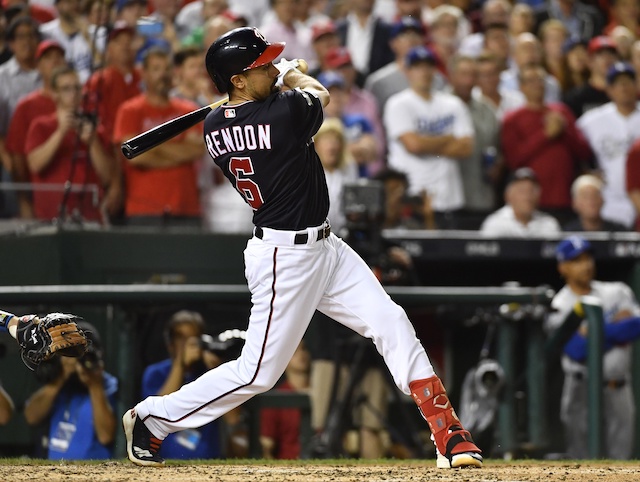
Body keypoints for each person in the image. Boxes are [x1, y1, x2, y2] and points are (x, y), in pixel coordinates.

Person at [122, 26, 483, 469]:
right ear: (236, 80)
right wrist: (293, 76)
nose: (272, 67)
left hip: (325, 247)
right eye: (262, 66)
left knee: (390, 320)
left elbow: (263, 108)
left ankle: (447, 431)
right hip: (284, 258)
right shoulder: (281, 112)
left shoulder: (216, 123)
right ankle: (154, 418)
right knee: (257, 373)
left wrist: (275, 80)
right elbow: (320, 94)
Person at [546, 235, 640, 459]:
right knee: (582, 461)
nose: (586, 264)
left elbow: (635, 327)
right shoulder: (559, 304)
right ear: (563, 267)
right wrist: (614, 329)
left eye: (588, 258)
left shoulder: (617, 291)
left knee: (621, 463)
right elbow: (575, 349)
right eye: (577, 260)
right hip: (581, 389)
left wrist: (595, 332)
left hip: (618, 388)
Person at [113, 47, 204, 227]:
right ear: (143, 73)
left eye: (167, 68)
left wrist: (151, 146)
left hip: (186, 207)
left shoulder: (189, 110)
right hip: (144, 209)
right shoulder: (130, 110)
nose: (163, 74)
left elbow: (197, 150)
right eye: (156, 69)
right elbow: (134, 156)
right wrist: (178, 150)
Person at [384, 45, 474, 229]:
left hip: (450, 198)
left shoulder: (453, 103)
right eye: (417, 67)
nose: (424, 72)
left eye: (428, 66)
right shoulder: (398, 104)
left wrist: (426, 142)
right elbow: (414, 145)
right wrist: (448, 138)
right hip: (412, 197)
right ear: (407, 71)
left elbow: (466, 147)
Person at [501, 63, 592, 222]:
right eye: (531, 81)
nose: (537, 85)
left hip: (565, 199)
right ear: (521, 87)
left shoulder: (561, 112)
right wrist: (545, 135)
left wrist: (564, 131)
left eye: (540, 80)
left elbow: (583, 152)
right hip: (532, 202)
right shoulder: (512, 119)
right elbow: (513, 160)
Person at [25, 65, 114, 223]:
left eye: (77, 88)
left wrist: (92, 143)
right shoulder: (41, 126)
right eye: (66, 89)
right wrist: (60, 133)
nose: (73, 94)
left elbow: (107, 177)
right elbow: (35, 165)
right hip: (51, 216)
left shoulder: (94, 130)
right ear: (55, 94)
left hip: (88, 216)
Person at [23, 321, 118, 459]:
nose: (79, 359)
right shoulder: (61, 383)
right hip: (54, 473)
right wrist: (62, 375)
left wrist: (94, 385)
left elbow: (106, 436)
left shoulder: (108, 384)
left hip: (94, 474)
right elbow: (31, 417)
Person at [141, 310, 225, 459]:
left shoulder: (210, 372)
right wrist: (180, 364)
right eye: (181, 338)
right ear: (170, 345)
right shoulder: (156, 373)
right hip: (163, 460)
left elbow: (234, 419)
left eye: (193, 338)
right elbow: (156, 413)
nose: (188, 344)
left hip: (209, 462)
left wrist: (217, 372)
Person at [5, 39, 67, 219]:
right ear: (38, 66)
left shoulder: (78, 103)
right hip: (41, 194)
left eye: (59, 57)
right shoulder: (27, 106)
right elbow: (17, 157)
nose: (55, 62)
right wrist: (23, 200)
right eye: (48, 58)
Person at [577, 62, 640, 229]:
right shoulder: (592, 120)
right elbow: (574, 151)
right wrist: (586, 172)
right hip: (608, 202)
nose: (624, 88)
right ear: (609, 89)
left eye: (628, 82)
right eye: (618, 84)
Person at [260, 339, 310, 459]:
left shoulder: (323, 394)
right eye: (294, 351)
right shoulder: (276, 398)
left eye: (303, 349)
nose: (301, 354)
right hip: (288, 466)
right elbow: (267, 444)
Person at [480, 167, 561, 237]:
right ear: (508, 196)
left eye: (531, 191)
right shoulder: (495, 223)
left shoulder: (549, 224)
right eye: (522, 191)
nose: (527, 196)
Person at [563, 36, 618, 119]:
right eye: (600, 54)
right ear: (589, 61)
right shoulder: (575, 97)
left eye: (611, 54)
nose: (607, 58)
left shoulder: (624, 94)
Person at [563, 174, 629, 232]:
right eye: (585, 196)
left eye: (595, 195)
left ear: (602, 200)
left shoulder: (620, 232)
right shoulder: (567, 234)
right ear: (575, 203)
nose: (591, 201)